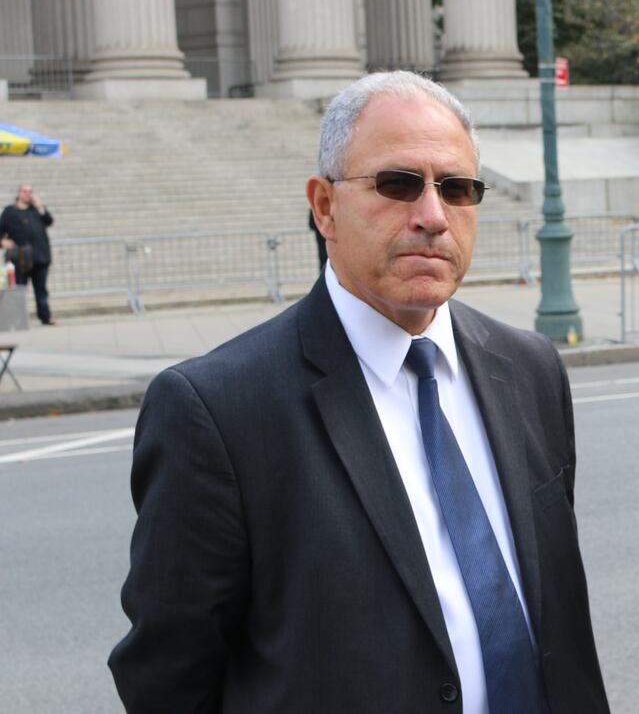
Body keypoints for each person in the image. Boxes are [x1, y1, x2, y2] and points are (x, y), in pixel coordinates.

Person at [110, 72, 609, 713]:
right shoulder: (216, 408)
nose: (433, 216)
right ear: (324, 207)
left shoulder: (530, 368)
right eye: (398, 184)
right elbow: (167, 677)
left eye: (456, 188)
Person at [0, 184, 55, 324]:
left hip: (40, 256)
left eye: (30, 191)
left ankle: (45, 317)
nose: (27, 194)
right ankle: (18, 320)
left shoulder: (36, 210)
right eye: (25, 191)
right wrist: (2, 241)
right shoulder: (10, 211)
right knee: (18, 289)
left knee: (41, 289)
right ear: (19, 193)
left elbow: (49, 221)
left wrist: (40, 207)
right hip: (19, 258)